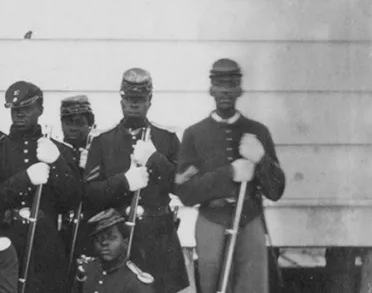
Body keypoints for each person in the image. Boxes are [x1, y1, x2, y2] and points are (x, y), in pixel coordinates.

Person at [175, 59, 285, 293]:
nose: (225, 90)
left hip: (250, 219)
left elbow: (276, 191)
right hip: (211, 220)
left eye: (231, 84)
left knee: (252, 287)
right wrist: (230, 173)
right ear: (211, 89)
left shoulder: (258, 131)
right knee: (212, 285)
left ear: (240, 89)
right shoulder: (195, 134)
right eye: (219, 84)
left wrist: (261, 160)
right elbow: (186, 193)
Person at [81, 69, 187, 293]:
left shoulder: (167, 139)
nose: (134, 104)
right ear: (121, 100)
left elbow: (183, 188)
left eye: (140, 99)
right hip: (116, 238)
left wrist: (155, 159)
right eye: (129, 98)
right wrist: (124, 182)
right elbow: (90, 194)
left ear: (150, 100)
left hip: (158, 238)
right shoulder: (103, 142)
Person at [0, 81, 81, 293]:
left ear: (40, 109)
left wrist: (57, 163)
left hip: (46, 245)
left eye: (26, 108)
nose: (19, 114)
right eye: (15, 109)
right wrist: (24, 179)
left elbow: (73, 199)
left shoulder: (61, 150)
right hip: (6, 240)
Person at [74, 209, 155, 293]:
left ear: (125, 242)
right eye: (98, 239)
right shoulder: (86, 269)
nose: (104, 243)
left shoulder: (135, 282)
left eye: (111, 238)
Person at [58, 95, 96, 265]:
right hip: (60, 230)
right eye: (68, 123)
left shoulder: (99, 153)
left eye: (79, 123)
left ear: (90, 124)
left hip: (89, 230)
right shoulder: (54, 152)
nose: (73, 128)